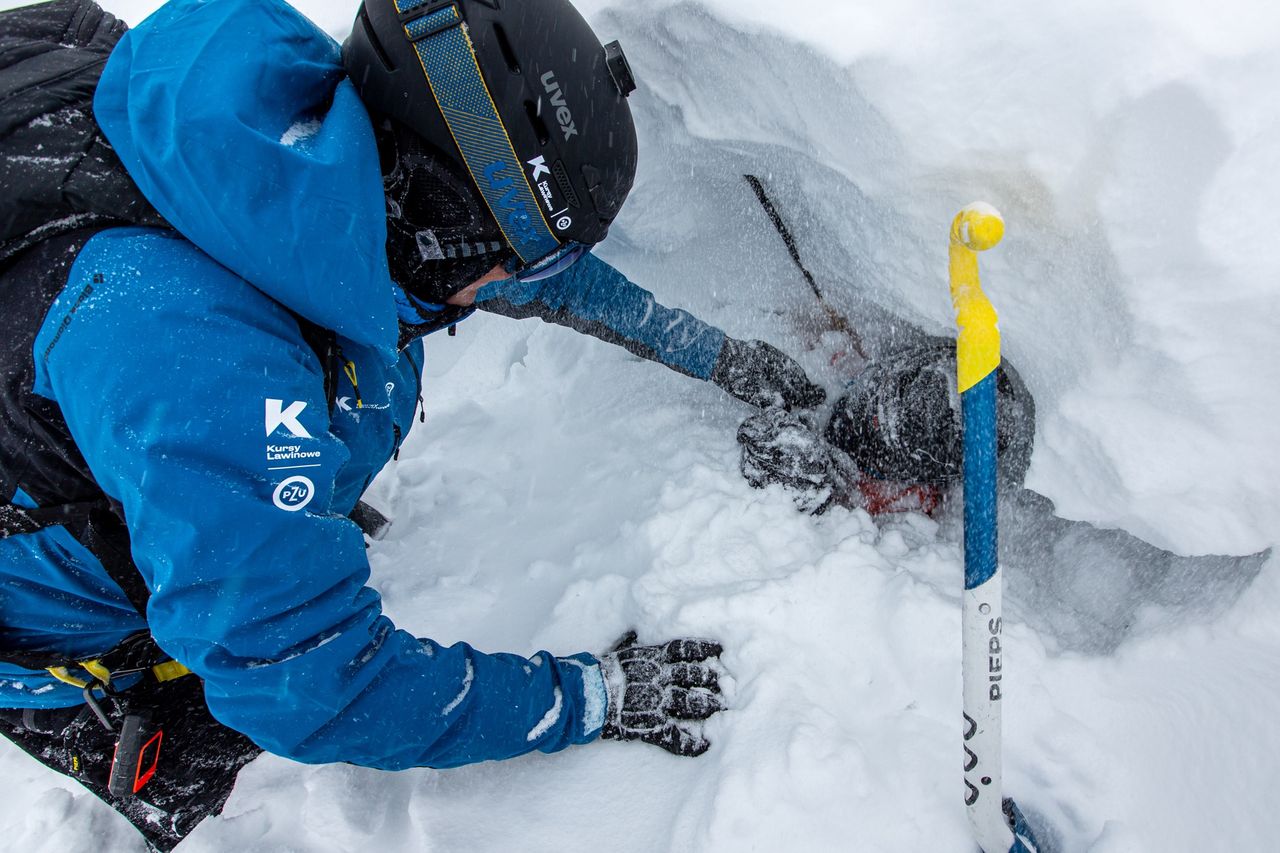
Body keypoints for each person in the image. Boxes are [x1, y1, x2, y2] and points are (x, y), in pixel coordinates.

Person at [0, 0, 826, 848]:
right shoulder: (198, 358)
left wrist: (719, 357)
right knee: (213, 755)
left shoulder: (328, 167)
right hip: (65, 636)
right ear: (446, 223)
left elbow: (533, 278)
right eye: (522, 250)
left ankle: (256, 524)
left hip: (189, 440)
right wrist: (589, 697)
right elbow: (318, 683)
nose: (516, 275)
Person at [736, 335, 1269, 654]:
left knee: (904, 428)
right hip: (923, 421)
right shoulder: (871, 449)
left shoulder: (936, 445)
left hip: (953, 419)